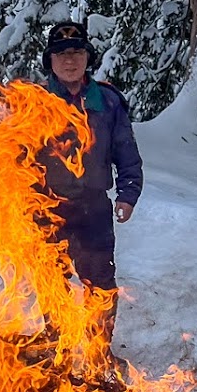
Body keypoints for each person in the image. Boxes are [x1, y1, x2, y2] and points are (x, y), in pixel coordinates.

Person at [37, 19, 143, 349]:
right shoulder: (35, 102)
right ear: (50, 61)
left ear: (87, 57)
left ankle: (98, 354)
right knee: (51, 282)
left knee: (99, 282)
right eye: (61, 54)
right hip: (46, 207)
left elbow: (126, 151)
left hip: (93, 207)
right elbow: (17, 157)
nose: (70, 60)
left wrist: (128, 193)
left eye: (77, 52)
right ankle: (57, 349)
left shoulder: (107, 101)